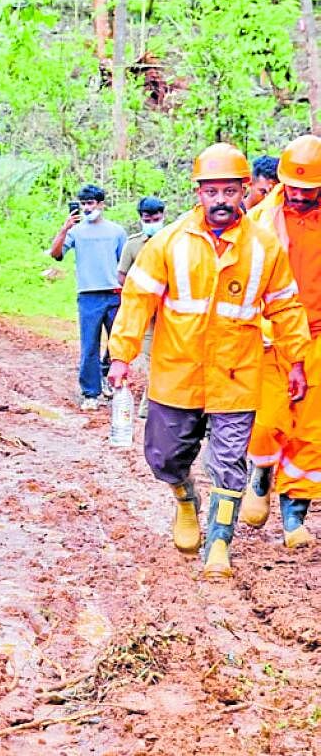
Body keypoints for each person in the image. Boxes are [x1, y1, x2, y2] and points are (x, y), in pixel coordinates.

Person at [108, 143, 310, 580]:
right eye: (211, 191)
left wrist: (296, 359)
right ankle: (184, 497)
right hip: (177, 373)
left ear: (244, 192)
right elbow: (137, 300)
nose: (220, 200)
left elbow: (286, 306)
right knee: (164, 456)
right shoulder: (169, 243)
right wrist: (121, 355)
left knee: (228, 459)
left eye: (229, 191)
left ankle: (219, 541)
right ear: (197, 193)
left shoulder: (264, 247)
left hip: (237, 374)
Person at [241, 135, 321, 548]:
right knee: (268, 418)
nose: (301, 195)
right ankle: (261, 473)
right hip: (274, 333)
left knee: (311, 429)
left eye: (310, 189)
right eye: (295, 186)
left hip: (319, 336)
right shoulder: (259, 221)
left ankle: (295, 514)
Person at [49, 184, 127, 410]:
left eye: (91, 203)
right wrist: (64, 229)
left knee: (119, 343)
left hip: (114, 293)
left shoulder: (116, 231)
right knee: (89, 345)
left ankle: (110, 378)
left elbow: (123, 264)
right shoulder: (76, 231)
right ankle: (90, 393)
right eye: (83, 203)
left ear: (101, 204)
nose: (86, 208)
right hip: (88, 295)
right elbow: (56, 254)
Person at [116, 196, 166, 419]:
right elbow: (122, 276)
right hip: (147, 315)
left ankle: (155, 407)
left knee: (165, 360)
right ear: (141, 219)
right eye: (148, 218)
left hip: (170, 314)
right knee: (149, 362)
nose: (152, 222)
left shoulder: (173, 240)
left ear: (163, 216)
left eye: (156, 218)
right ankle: (148, 407)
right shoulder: (133, 244)